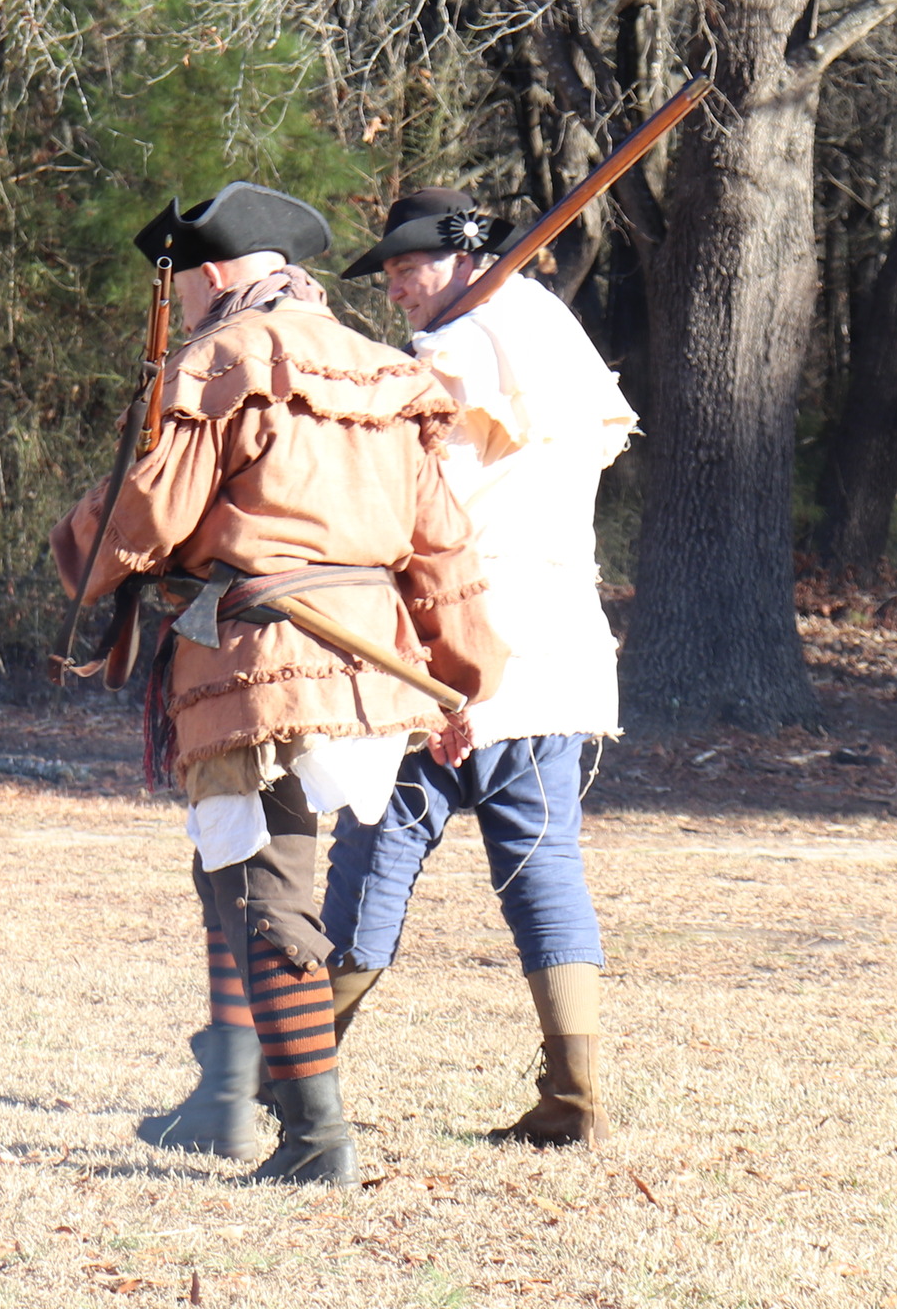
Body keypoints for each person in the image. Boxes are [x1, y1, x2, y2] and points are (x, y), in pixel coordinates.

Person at [51, 179, 507, 1187]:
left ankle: (314, 1139)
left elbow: (149, 518)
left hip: (263, 664)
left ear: (216, 272)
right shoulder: (390, 370)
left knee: (262, 889)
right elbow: (442, 546)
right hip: (366, 668)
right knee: (239, 878)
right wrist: (461, 676)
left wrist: (79, 541)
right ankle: (234, 1102)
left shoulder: (225, 357)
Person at [321, 186, 637, 1147]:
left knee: (375, 845)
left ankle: (285, 1081)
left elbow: (415, 514)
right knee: (545, 866)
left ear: (462, 258)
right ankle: (572, 1097)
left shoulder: (452, 357)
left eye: (407, 268)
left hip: (453, 640)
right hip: (555, 648)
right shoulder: (551, 336)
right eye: (387, 273)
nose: (394, 291)